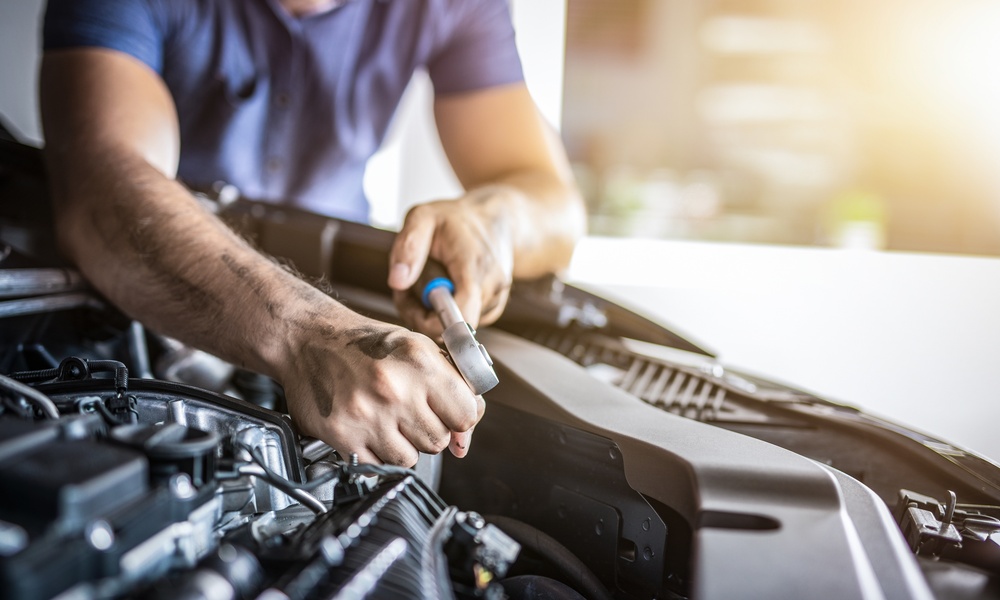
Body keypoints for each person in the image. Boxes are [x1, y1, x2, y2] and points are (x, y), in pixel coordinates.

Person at [39, 0, 585, 466]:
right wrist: (305, 334)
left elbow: (554, 205)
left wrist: (496, 217)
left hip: (341, 313)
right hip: (151, 310)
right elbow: (101, 190)